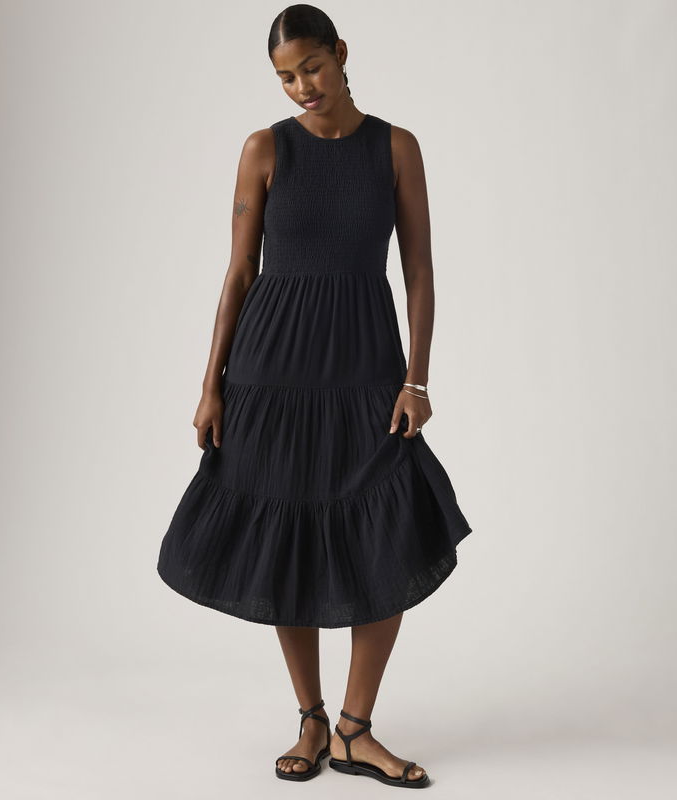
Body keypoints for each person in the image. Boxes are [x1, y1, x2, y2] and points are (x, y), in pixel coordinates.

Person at [157, 4, 473, 788]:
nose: (303, 86)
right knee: (286, 538)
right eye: (286, 77)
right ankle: (311, 717)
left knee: (389, 534)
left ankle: (356, 730)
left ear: (340, 53)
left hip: (366, 367)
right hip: (270, 372)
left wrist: (417, 378)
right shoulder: (265, 149)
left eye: (312, 67)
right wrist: (210, 387)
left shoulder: (395, 148)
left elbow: (420, 270)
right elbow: (239, 272)